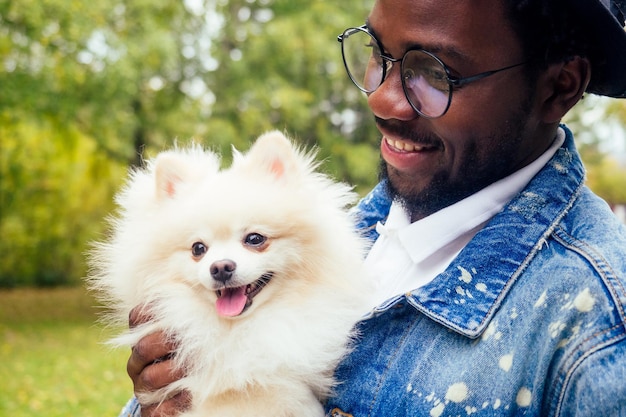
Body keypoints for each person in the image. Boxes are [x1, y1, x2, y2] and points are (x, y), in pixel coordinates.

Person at [117, 0, 626, 415]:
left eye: (436, 73)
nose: (384, 99)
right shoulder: (344, 228)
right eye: (378, 53)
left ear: (559, 87)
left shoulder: (596, 327)